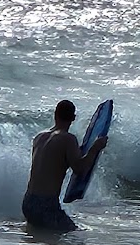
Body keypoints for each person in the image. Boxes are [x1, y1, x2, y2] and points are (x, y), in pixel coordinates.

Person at [23, 99, 108, 232]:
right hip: (46, 206)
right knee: (74, 237)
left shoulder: (39, 137)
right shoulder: (68, 139)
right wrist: (95, 148)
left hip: (27, 203)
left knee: (41, 237)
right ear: (73, 118)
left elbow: (54, 161)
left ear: (55, 114)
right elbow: (80, 169)